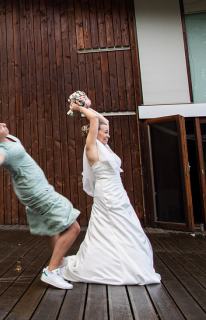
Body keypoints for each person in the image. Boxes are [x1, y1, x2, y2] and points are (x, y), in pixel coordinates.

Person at [0, 88, 80, 290]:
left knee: (51, 228)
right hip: (37, 192)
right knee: (73, 227)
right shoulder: (0, 149)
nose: (2, 123)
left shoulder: (4, 138)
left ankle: (59, 263)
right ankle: (51, 271)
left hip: (34, 190)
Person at [61, 101, 160, 285]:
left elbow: (102, 119)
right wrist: (78, 107)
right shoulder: (91, 147)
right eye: (104, 131)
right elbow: (94, 119)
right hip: (106, 193)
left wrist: (88, 104)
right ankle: (110, 265)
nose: (108, 134)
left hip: (118, 191)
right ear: (94, 131)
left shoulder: (105, 147)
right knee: (110, 225)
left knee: (126, 226)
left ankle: (124, 261)